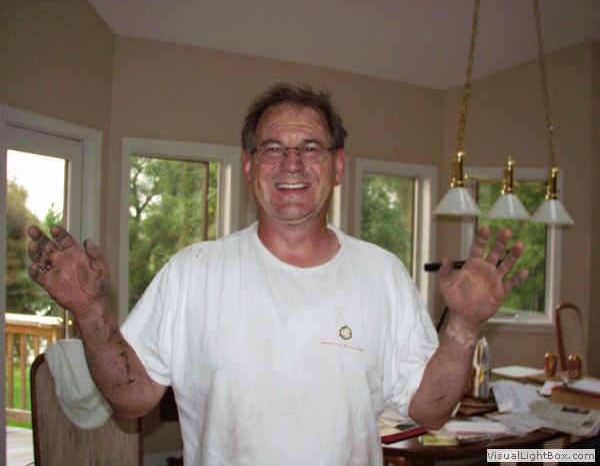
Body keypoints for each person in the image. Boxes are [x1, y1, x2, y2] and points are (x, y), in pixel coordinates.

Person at [27, 82, 528, 465]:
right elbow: (131, 399)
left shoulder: (383, 275)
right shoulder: (192, 272)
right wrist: (91, 312)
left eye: (311, 147)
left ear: (337, 166)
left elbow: (430, 411)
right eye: (273, 148)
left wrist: (464, 327)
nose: (292, 163)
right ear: (249, 166)